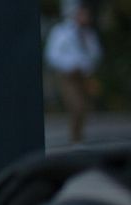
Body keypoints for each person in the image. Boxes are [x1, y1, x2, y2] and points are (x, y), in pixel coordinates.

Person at [45, 4, 102, 144]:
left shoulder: (89, 34)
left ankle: (78, 137)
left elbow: (96, 54)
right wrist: (69, 66)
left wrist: (87, 67)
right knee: (77, 106)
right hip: (68, 76)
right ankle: (75, 139)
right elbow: (52, 55)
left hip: (84, 76)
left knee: (85, 107)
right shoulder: (61, 32)